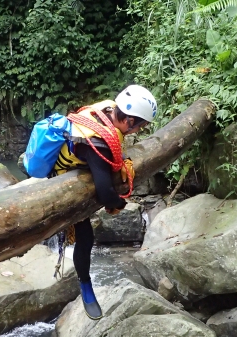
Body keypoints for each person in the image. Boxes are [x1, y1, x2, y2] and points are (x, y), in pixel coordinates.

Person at [52, 84, 157, 320]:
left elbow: (115, 145)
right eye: (140, 126)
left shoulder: (109, 109)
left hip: (78, 156)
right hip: (63, 177)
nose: (138, 131)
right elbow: (105, 194)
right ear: (129, 121)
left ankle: (86, 285)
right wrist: (119, 205)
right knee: (85, 237)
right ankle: (85, 285)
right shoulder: (98, 143)